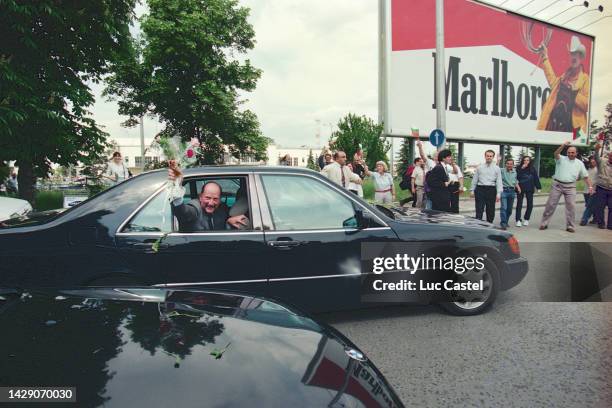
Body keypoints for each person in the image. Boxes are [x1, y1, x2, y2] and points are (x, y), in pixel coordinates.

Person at [167, 161, 248, 232]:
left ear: (220, 200)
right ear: (200, 197)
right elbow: (184, 213)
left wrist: (229, 220)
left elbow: (227, 216)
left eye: (215, 199)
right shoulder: (195, 208)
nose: (211, 203)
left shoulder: (222, 208)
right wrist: (176, 187)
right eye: (208, 198)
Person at [537, 36, 590, 133]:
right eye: (572, 54)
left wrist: (575, 93)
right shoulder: (564, 78)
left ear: (581, 57)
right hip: (557, 128)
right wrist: (545, 57)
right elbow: (553, 82)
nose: (573, 57)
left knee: (573, 148)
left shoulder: (585, 79)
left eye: (576, 54)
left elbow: (587, 105)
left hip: (576, 131)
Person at [540, 141, 593, 232]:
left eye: (572, 152)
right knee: (550, 205)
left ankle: (570, 226)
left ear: (576, 153)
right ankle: (544, 223)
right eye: (568, 152)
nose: (570, 154)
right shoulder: (561, 158)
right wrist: (563, 145)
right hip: (557, 185)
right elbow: (556, 153)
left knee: (571, 206)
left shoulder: (579, 163)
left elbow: (585, 176)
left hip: (571, 186)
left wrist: (590, 187)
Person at [470, 150, 503, 223]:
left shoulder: (497, 168)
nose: (489, 157)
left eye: (490, 156)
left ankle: (489, 225)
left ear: (493, 157)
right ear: (485, 156)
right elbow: (475, 179)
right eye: (487, 156)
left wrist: (498, 193)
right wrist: (472, 190)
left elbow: (499, 181)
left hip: (491, 190)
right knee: (479, 209)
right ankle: (478, 225)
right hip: (480, 189)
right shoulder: (479, 167)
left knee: (490, 210)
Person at [515, 156, 542, 227]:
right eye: (524, 160)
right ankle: (518, 220)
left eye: (527, 160)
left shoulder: (532, 169)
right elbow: (516, 177)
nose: (526, 161)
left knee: (530, 204)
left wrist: (538, 187)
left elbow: (536, 178)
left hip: (529, 188)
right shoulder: (518, 168)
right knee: (519, 204)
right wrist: (522, 168)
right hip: (520, 188)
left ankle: (526, 219)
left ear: (530, 161)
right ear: (522, 161)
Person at [593, 143, 612, 229]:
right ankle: (601, 223)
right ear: (609, 156)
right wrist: (596, 150)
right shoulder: (602, 161)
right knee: (600, 207)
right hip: (601, 188)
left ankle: (610, 225)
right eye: (611, 156)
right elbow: (596, 157)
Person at [499, 159, 521, 230]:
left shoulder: (515, 171)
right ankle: (503, 224)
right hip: (504, 191)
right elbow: (496, 169)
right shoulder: (502, 170)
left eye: (511, 164)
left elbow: (515, 181)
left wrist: (518, 187)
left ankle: (506, 221)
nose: (509, 165)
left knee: (509, 210)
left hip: (512, 191)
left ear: (513, 165)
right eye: (508, 163)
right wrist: (498, 161)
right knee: (504, 208)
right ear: (506, 164)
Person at [579, 155, 598, 226]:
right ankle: (596, 218)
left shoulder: (598, 169)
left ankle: (584, 219)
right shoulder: (586, 169)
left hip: (594, 191)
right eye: (591, 160)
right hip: (586, 190)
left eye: (594, 160)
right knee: (590, 205)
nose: (592, 161)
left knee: (589, 206)